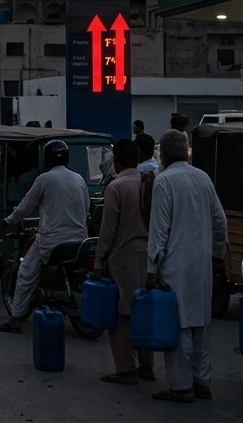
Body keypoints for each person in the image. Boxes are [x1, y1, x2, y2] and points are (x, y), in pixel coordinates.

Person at [145, 128, 227, 404]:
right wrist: (217, 253)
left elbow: (159, 231)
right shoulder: (203, 178)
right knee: (201, 323)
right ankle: (203, 382)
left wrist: (151, 269)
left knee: (178, 325)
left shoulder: (164, 181)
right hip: (202, 265)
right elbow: (220, 221)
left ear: (164, 154)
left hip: (175, 266)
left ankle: (181, 387)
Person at [0, 140, 90, 332]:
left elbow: (26, 206)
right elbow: (86, 207)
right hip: (80, 240)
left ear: (46, 159)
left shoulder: (44, 179)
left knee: (25, 273)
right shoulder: (79, 179)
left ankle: (15, 321)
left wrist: (9, 220)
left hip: (52, 240)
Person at [91, 139, 156, 385]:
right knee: (144, 310)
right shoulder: (147, 182)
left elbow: (108, 230)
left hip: (123, 256)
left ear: (116, 161)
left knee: (121, 315)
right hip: (148, 255)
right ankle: (147, 365)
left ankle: (126, 369)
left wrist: (99, 259)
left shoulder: (116, 187)